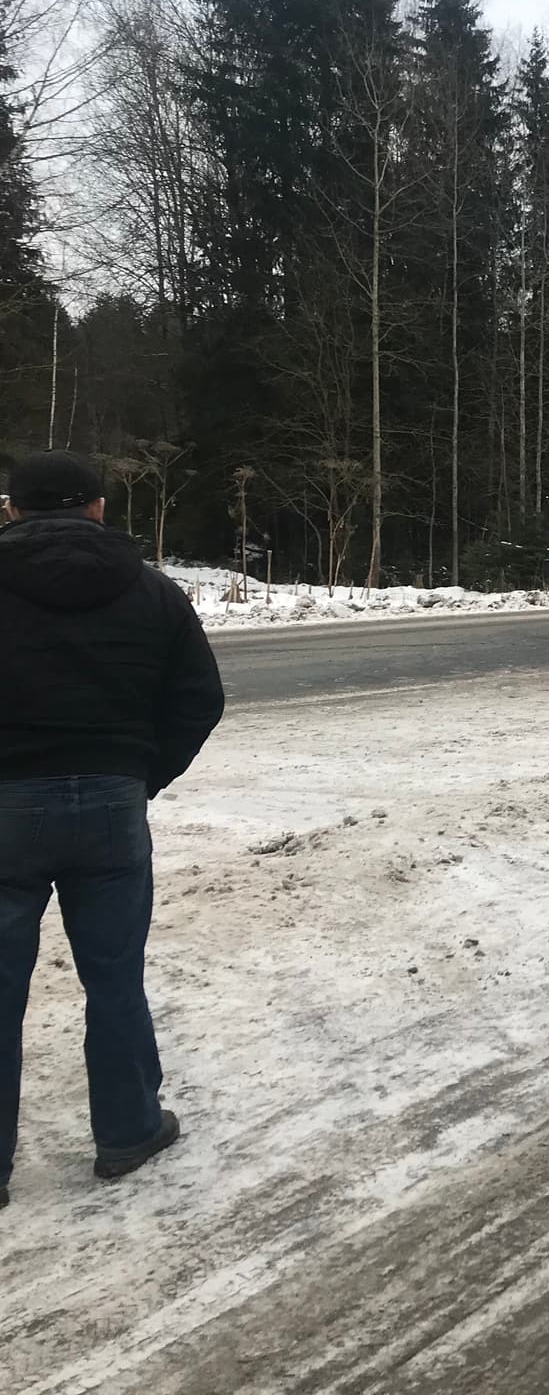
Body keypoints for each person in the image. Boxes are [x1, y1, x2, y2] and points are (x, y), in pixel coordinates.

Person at [0, 451, 225, 1209]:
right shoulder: (153, 593)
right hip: (110, 804)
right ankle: (128, 1132)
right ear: (98, 508)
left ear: (11, 510)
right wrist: (140, 775)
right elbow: (199, 699)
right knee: (114, 975)